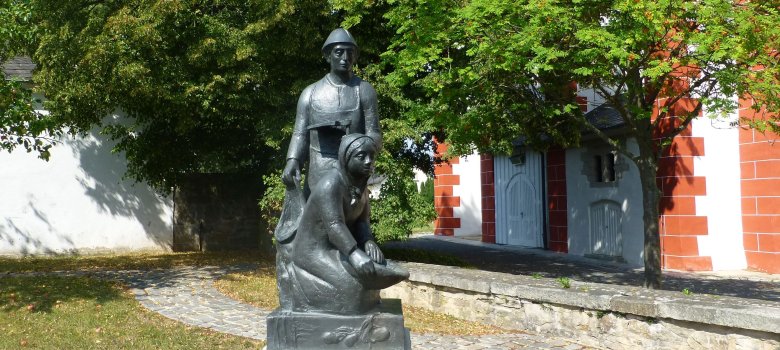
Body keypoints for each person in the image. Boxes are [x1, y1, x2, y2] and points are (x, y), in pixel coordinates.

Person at [281, 134, 408, 314]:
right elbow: (334, 225)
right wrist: (355, 253)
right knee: (354, 289)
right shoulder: (330, 184)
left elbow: (362, 220)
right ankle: (305, 299)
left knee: (371, 279)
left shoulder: (360, 186)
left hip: (337, 248)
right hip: (313, 251)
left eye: (372, 156)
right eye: (361, 156)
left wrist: (368, 241)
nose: (368, 161)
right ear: (346, 158)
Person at [282, 28, 382, 196]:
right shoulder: (310, 94)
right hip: (318, 173)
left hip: (352, 176)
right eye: (338, 52)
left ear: (355, 56)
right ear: (328, 56)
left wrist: (358, 148)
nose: (345, 58)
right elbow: (300, 134)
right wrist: (293, 161)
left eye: (350, 53)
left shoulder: (364, 90)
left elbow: (374, 134)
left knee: (355, 221)